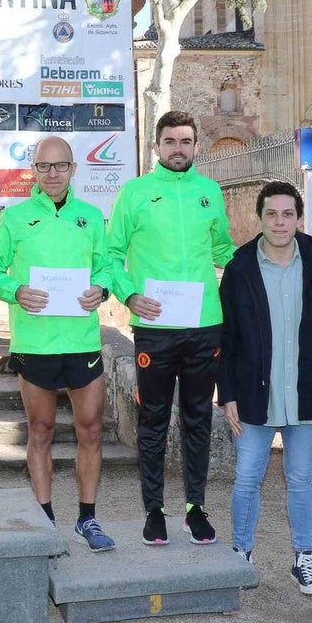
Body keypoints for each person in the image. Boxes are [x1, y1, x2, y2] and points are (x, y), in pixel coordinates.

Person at [106, 110, 235, 546]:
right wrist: (128, 296)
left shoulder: (209, 191)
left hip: (204, 326)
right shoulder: (136, 193)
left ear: (195, 146)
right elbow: (111, 254)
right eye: (170, 141)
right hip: (155, 326)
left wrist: (270, 262)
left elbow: (222, 249)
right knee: (155, 418)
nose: (178, 148)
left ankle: (195, 508)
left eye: (185, 141)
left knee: (198, 417)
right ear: (157, 147)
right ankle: (154, 510)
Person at [0, 136, 114, 549]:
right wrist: (16, 290)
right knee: (40, 430)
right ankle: (44, 516)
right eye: (44, 167)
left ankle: (87, 518)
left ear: (74, 169)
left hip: (81, 340)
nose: (53, 174)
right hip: (36, 341)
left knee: (90, 431)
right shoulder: (16, 217)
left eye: (60, 166)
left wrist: (103, 288)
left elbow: (108, 266)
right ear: (34, 172)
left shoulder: (92, 217)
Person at [217, 182, 312, 593]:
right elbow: (227, 337)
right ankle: (240, 554)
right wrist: (228, 394)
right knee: (246, 478)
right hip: (255, 393)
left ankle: (303, 558)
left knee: (300, 479)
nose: (279, 222)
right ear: (260, 218)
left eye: (287, 214)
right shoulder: (240, 269)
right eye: (271, 214)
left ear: (299, 218)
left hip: (306, 393)